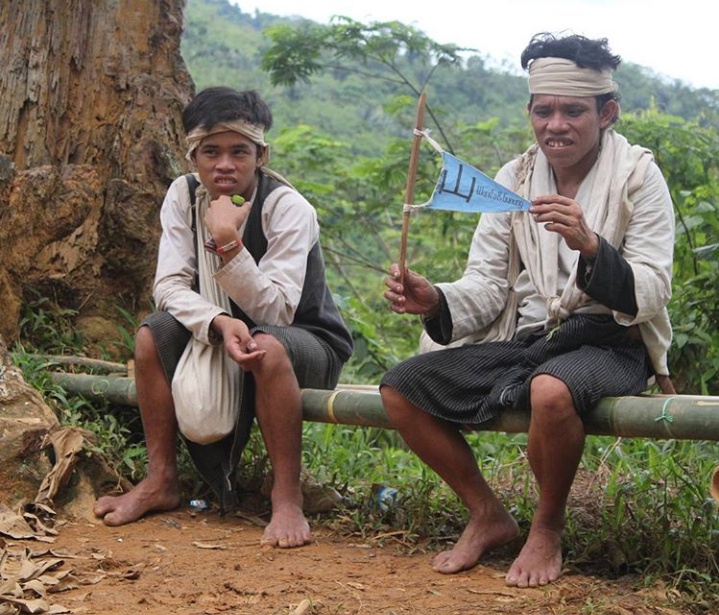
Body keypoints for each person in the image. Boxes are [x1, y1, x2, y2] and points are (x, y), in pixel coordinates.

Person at [380, 32, 674, 587]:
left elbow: (654, 290)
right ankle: (487, 513)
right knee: (401, 388)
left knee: (550, 390)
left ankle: (547, 527)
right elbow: (488, 284)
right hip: (536, 339)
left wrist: (593, 249)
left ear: (607, 112)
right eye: (544, 111)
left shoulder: (639, 176)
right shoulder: (512, 179)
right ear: (529, 112)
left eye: (573, 111)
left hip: (613, 340)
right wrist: (437, 299)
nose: (556, 125)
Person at [94, 87, 353, 548]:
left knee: (267, 344)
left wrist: (229, 244)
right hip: (220, 331)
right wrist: (218, 321)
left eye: (240, 152)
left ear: (261, 154)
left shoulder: (288, 208)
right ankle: (161, 480)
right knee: (150, 337)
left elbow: (278, 310)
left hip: (302, 342)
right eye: (210, 152)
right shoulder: (182, 195)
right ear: (193, 155)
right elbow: (169, 286)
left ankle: (286, 497)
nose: (225, 165)